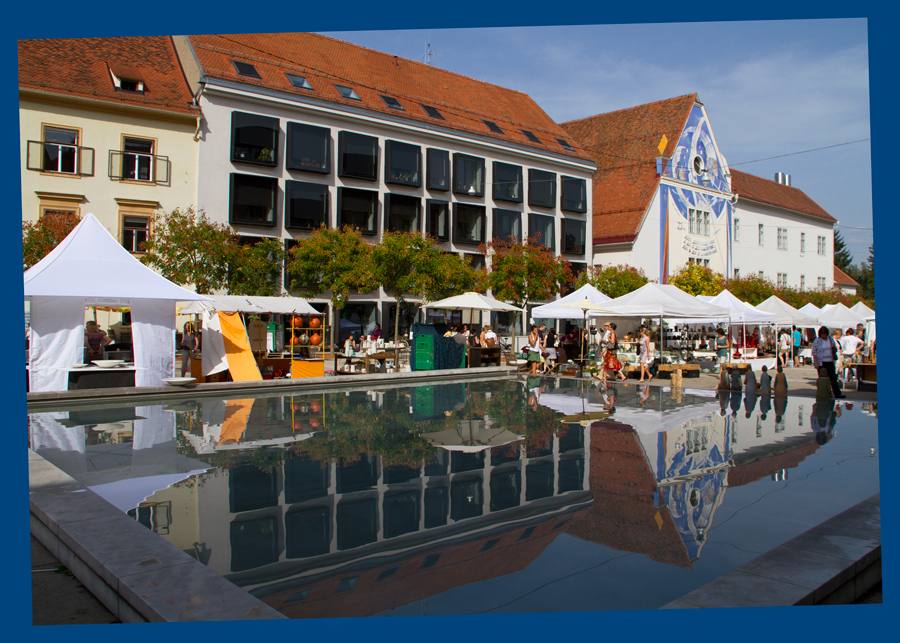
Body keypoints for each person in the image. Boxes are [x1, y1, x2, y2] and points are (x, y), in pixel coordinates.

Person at [812, 326, 845, 399]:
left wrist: (833, 348)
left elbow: (835, 349)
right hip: (821, 361)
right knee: (822, 378)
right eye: (822, 333)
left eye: (825, 333)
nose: (823, 335)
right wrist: (815, 362)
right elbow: (814, 352)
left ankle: (837, 393)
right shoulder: (817, 340)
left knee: (833, 378)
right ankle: (822, 392)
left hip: (830, 361)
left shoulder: (830, 339)